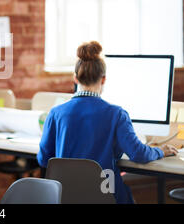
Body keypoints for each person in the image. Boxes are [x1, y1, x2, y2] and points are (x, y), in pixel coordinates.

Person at [37, 41, 178, 204]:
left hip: (64, 196)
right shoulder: (116, 114)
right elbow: (138, 153)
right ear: (103, 79)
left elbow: (43, 159)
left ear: (75, 78)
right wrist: (160, 150)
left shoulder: (55, 113)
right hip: (104, 196)